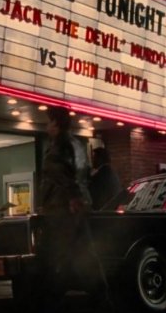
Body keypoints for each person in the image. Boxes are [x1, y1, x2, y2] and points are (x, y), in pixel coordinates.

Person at [34, 107, 110, 313]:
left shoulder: (59, 146)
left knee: (53, 258)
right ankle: (101, 297)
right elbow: (82, 175)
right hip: (75, 207)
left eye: (49, 122)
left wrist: (72, 198)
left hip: (62, 209)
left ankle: (50, 302)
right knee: (81, 255)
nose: (47, 127)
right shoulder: (77, 144)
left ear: (56, 124)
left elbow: (61, 175)